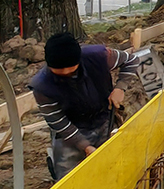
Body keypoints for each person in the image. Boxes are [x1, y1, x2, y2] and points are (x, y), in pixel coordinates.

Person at [30, 32, 142, 181]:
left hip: (103, 119)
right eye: (59, 71)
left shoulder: (99, 56)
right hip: (69, 129)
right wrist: (85, 146)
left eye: (71, 69)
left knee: (111, 171)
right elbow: (58, 122)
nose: (66, 73)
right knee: (68, 180)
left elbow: (132, 60)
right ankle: (57, 166)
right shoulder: (42, 86)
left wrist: (120, 87)